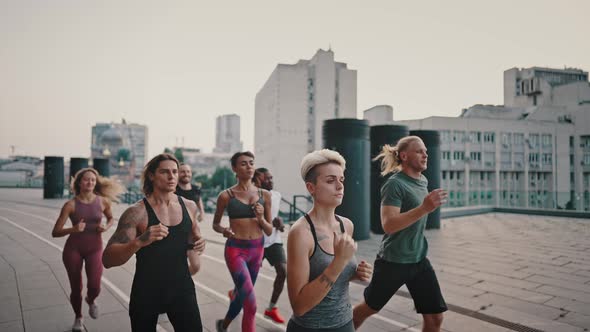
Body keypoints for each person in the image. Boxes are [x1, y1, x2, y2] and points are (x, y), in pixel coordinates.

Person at [352, 136, 448, 332]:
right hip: (393, 262)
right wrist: (424, 208)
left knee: (435, 318)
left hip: (419, 260)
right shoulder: (394, 184)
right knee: (367, 309)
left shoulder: (422, 180)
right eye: (419, 151)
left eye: (426, 151)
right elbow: (388, 225)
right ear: (404, 156)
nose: (425, 154)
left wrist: (424, 207)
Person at [102, 153, 206, 332]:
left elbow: (192, 236)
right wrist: (140, 241)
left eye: (175, 171)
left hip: (182, 288)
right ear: (151, 175)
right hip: (147, 290)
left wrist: (198, 242)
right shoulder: (137, 212)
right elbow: (108, 259)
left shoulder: (189, 206)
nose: (172, 176)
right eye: (165, 172)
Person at [286, 149, 373, 332]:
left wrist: (356, 273)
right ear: (311, 188)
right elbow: (299, 306)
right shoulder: (301, 233)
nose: (340, 186)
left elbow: (337, 277)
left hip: (346, 324)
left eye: (341, 180)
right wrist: (339, 262)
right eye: (330, 180)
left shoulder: (346, 225)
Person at [51, 167, 124, 331]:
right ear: (79, 183)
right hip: (73, 249)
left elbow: (112, 218)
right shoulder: (70, 205)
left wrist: (106, 226)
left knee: (95, 286)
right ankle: (78, 317)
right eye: (86, 179)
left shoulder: (102, 201)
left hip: (95, 248)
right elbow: (55, 232)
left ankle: (90, 300)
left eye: (93, 179)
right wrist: (73, 229)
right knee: (76, 288)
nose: (90, 182)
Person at [213, 151, 274, 332]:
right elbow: (215, 224)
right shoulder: (226, 196)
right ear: (234, 168)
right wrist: (224, 230)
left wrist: (261, 218)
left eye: (251, 163)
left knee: (241, 297)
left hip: (257, 251)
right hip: (235, 251)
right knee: (252, 304)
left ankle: (223, 325)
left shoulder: (265, 195)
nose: (249, 166)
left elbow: (269, 229)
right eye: (243, 164)